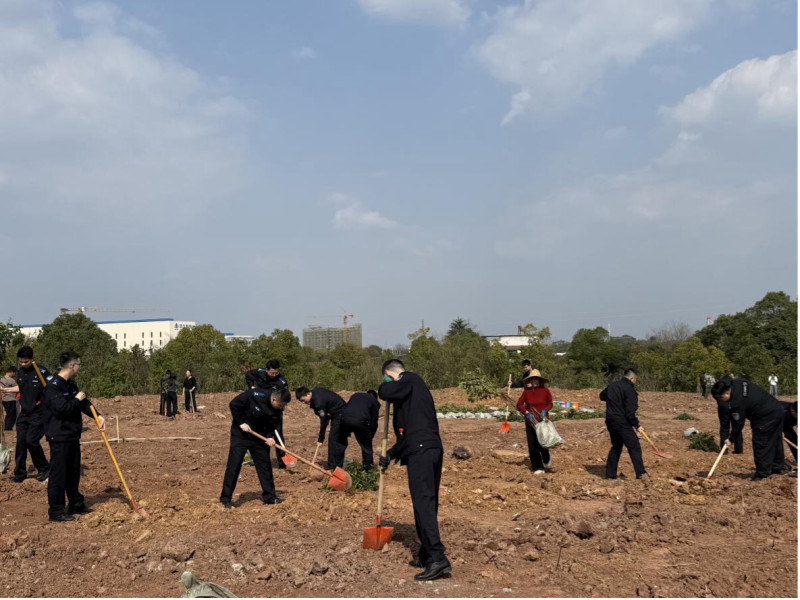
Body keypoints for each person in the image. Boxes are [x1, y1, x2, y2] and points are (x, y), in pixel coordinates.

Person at [378, 358, 450, 582]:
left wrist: (386, 384)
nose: (387, 383)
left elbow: (385, 391)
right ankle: (427, 553)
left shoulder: (410, 379)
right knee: (425, 502)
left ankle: (437, 558)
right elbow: (404, 435)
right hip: (425, 449)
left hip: (423, 451)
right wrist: (390, 454)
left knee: (423, 503)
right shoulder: (408, 399)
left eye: (388, 377)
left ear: (391, 373)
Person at [42, 350, 105, 522]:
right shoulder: (53, 386)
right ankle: (56, 511)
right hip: (59, 436)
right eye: (79, 364)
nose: (79, 367)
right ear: (72, 365)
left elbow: (83, 403)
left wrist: (97, 415)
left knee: (73, 472)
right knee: (58, 474)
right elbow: (62, 409)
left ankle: (75, 504)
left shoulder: (71, 384)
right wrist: (77, 399)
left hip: (72, 435)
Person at [220, 386, 290, 507]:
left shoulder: (278, 409)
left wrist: (269, 436)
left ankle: (270, 497)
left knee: (265, 466)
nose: (281, 408)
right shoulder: (254, 395)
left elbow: (274, 423)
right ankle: (225, 498)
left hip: (260, 437)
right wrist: (241, 422)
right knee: (234, 464)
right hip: (241, 434)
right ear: (273, 399)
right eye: (280, 405)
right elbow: (234, 405)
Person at [711, 378, 786, 480]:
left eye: (720, 398)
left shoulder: (737, 401)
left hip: (765, 417)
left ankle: (762, 474)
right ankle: (778, 467)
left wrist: (731, 439)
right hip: (777, 409)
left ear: (727, 393)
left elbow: (738, 424)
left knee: (761, 443)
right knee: (775, 440)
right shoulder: (736, 382)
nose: (720, 402)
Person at [1, 347, 51, 482]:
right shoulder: (20, 372)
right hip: (24, 413)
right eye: (21, 362)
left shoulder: (42, 372)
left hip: (39, 412)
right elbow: (21, 387)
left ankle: (44, 468)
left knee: (32, 441)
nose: (23, 364)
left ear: (32, 359)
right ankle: (20, 473)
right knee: (21, 442)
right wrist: (5, 390)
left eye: (26, 362)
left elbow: (51, 388)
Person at [600, 369, 646, 480]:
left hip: (610, 421)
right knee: (634, 446)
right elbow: (630, 412)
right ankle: (641, 475)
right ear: (632, 378)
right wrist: (637, 425)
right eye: (635, 380)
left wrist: (614, 398)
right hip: (622, 422)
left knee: (616, 447)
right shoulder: (630, 390)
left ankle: (610, 475)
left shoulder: (612, 385)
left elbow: (602, 396)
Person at [244, 359, 290, 468]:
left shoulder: (281, 381)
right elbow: (248, 375)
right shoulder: (260, 372)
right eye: (271, 373)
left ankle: (282, 462)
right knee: (258, 433)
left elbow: (285, 396)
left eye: (276, 373)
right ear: (267, 370)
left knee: (278, 435)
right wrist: (251, 387)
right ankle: (257, 459)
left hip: (275, 411)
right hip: (260, 408)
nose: (274, 375)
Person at [295, 386, 346, 470]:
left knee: (333, 440)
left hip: (341, 414)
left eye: (303, 400)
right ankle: (335, 464)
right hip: (335, 412)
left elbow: (324, 421)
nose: (304, 403)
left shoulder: (318, 402)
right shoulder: (315, 392)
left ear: (308, 394)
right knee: (335, 439)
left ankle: (332, 466)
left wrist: (321, 438)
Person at [516, 369, 554, 474]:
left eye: (536, 380)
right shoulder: (526, 392)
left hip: (542, 420)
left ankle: (547, 461)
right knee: (533, 444)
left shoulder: (545, 391)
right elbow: (519, 404)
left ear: (540, 380)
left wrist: (545, 410)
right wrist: (526, 412)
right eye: (533, 380)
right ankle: (537, 466)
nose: (535, 382)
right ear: (530, 381)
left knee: (543, 443)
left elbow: (550, 403)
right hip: (531, 421)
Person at [340, 390, 381, 470]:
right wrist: (370, 436)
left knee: (340, 443)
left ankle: (337, 465)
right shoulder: (374, 401)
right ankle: (368, 471)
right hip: (360, 422)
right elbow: (374, 421)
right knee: (367, 449)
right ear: (375, 397)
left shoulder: (356, 395)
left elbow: (347, 407)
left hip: (344, 419)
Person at [716, 388, 743, 454]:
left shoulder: (721, 385)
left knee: (724, 427)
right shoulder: (735, 385)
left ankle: (724, 451)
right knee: (736, 427)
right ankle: (739, 450)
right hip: (734, 406)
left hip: (724, 406)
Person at [1, 366, 17, 431]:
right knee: (11, 414)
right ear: (12, 372)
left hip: (5, 399)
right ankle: (7, 427)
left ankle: (7, 427)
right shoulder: (10, 380)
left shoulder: (2, 379)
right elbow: (17, 387)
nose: (15, 374)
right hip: (10, 399)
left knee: (9, 414)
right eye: (14, 373)